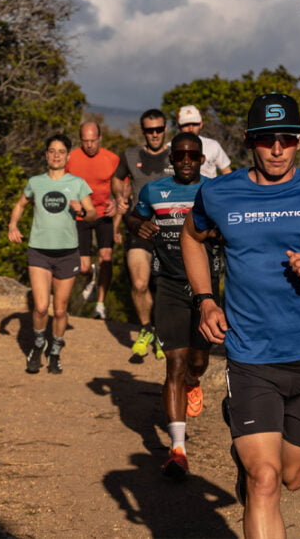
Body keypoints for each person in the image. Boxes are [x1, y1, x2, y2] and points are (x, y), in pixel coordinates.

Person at [181, 93, 300, 538]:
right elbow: (193, 238)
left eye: (286, 138)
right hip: (251, 358)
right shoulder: (220, 192)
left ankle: (252, 464)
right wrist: (206, 299)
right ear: (250, 141)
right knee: (264, 481)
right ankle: (253, 469)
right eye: (267, 139)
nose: (277, 149)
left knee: (292, 476)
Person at [125, 132, 220, 480]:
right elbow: (133, 219)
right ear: (171, 157)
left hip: (205, 289)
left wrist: (213, 235)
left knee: (197, 360)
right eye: (179, 154)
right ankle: (178, 450)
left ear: (201, 159)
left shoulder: (214, 190)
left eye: (192, 155)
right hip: (167, 284)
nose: (185, 160)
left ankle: (195, 381)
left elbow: (229, 232)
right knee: (175, 364)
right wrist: (141, 225)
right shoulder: (153, 190)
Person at [8, 134, 96, 375]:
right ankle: (38, 346)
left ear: (68, 156)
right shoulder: (36, 182)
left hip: (67, 253)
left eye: (61, 151)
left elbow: (93, 214)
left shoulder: (77, 184)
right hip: (39, 251)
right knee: (39, 307)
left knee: (59, 310)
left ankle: (55, 350)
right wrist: (13, 225)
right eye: (52, 151)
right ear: (46, 154)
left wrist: (82, 210)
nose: (56, 155)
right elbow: (20, 204)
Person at [113, 109, 174, 358]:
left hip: (171, 228)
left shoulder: (176, 155)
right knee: (139, 283)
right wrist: (120, 196)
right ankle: (146, 328)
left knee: (164, 286)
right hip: (139, 226)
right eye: (150, 130)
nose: (155, 134)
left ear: (165, 129)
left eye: (159, 129)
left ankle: (161, 333)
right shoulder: (130, 155)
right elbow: (117, 179)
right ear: (143, 131)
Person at [66, 121, 122, 320]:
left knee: (106, 257)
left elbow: (122, 186)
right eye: (85, 141)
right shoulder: (71, 158)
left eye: (93, 141)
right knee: (82, 267)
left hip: (104, 214)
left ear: (100, 139)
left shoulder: (112, 159)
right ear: (80, 139)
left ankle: (100, 304)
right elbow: (62, 184)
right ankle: (91, 274)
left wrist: (116, 202)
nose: (89, 145)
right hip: (81, 215)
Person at [176, 105, 232, 178]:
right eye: (186, 125)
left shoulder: (213, 145)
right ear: (178, 126)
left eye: (195, 124)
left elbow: (226, 171)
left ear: (201, 124)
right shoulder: (169, 148)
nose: (191, 128)